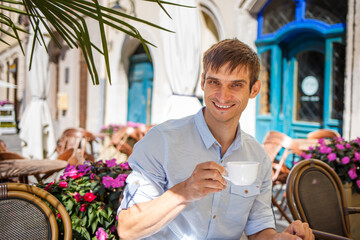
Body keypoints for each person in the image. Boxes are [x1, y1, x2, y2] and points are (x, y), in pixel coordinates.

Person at [117, 39, 314, 240]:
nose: (223, 96)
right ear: (203, 82)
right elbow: (128, 228)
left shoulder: (258, 158)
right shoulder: (162, 141)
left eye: (236, 85)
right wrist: (184, 191)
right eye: (214, 82)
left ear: (254, 90)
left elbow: (259, 230)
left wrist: (278, 238)